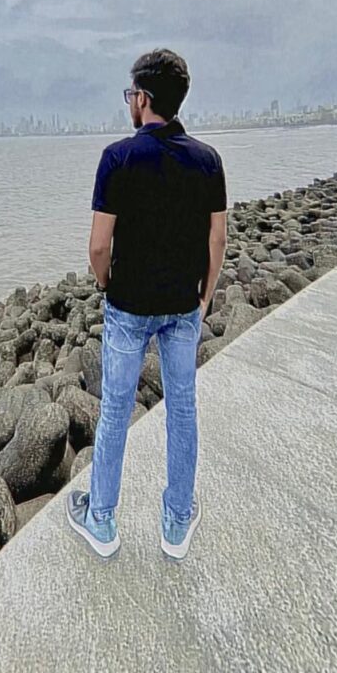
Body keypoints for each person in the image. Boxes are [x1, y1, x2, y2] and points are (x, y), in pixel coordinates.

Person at [66, 48, 227, 562]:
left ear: (143, 98)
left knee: (115, 410)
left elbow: (98, 247)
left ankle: (101, 519)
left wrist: (107, 284)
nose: (129, 102)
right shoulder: (208, 160)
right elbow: (217, 240)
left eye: (130, 94)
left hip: (128, 306)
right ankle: (176, 524)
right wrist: (205, 295)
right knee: (182, 409)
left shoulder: (117, 157)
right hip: (183, 305)